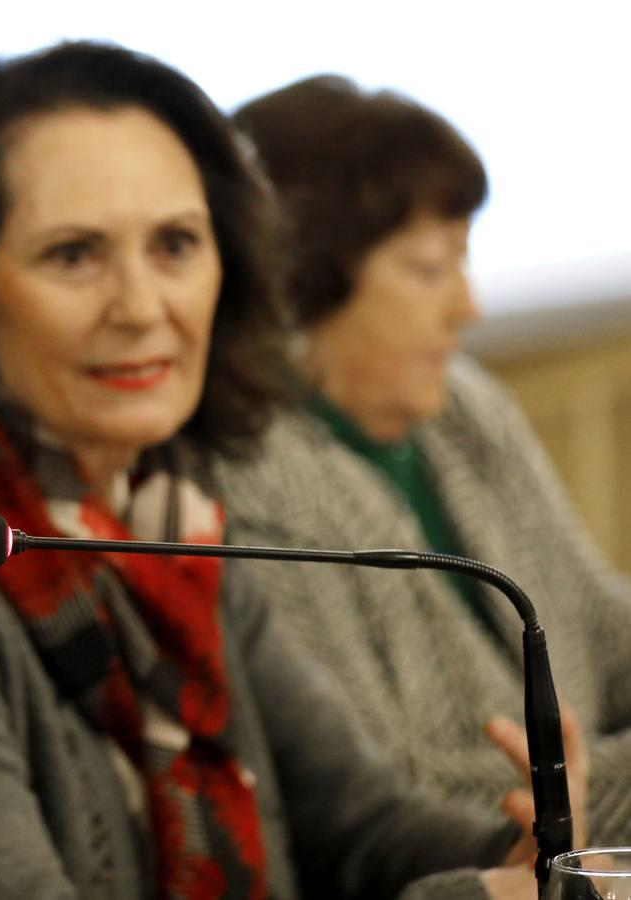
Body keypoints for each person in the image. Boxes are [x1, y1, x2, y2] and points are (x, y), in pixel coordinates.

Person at [0, 43, 584, 900]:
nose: (142, 307)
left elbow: (362, 824)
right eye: (74, 255)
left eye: (175, 245)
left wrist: (521, 845)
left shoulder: (171, 510)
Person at [213, 75, 631, 848]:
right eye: (430, 268)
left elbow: (604, 636)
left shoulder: (462, 408)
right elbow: (400, 796)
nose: (466, 307)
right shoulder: (245, 480)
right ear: (302, 281)